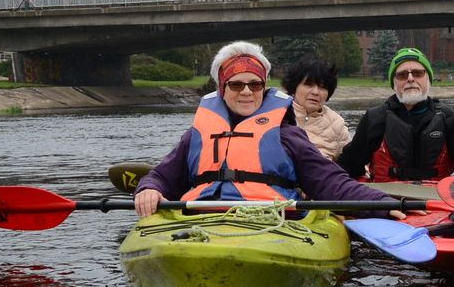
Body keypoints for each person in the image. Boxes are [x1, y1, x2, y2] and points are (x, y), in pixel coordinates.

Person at [133, 41, 399, 218]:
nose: (247, 91)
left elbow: (331, 183)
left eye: (255, 85)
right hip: (204, 220)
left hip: (271, 222)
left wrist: (383, 206)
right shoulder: (195, 137)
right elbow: (161, 176)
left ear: (264, 88)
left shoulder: (287, 135)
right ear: (222, 90)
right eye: (237, 85)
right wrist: (149, 189)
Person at [337, 47, 454, 182]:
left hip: (436, 201)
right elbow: (349, 165)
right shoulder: (374, 118)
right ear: (394, 83)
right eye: (402, 75)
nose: (410, 79)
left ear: (428, 79)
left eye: (418, 73)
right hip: (387, 201)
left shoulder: (450, 119)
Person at [281, 55, 351, 161]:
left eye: (322, 87)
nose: (315, 92)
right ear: (294, 87)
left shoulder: (337, 126)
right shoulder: (275, 115)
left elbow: (353, 167)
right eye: (309, 85)